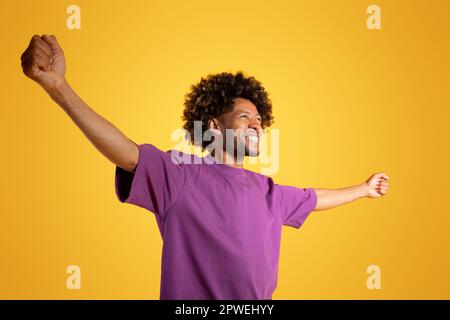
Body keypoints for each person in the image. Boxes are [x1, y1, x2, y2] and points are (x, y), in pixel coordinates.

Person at [20, 34, 390, 300]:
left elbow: (313, 198)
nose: (257, 124)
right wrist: (60, 90)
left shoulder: (270, 191)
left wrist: (363, 188)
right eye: (245, 117)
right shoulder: (179, 174)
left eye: (260, 118)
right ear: (214, 127)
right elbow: (124, 150)